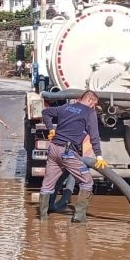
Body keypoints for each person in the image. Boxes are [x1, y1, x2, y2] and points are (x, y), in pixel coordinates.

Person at [38, 90, 108, 223]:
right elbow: (94, 136)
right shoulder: (90, 113)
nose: (94, 107)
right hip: (68, 153)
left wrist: (50, 128)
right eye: (94, 104)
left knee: (47, 185)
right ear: (90, 100)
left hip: (53, 149)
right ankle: (79, 218)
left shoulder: (66, 107)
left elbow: (45, 112)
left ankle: (42, 219)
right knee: (87, 182)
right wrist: (99, 156)